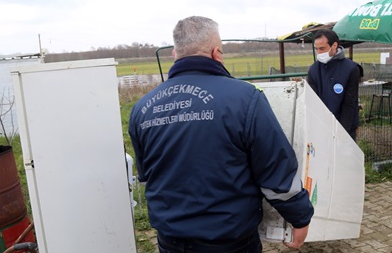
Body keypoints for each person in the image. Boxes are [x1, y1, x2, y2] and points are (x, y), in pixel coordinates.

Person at [129, 16, 313, 253]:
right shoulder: (246, 98)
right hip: (230, 242)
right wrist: (300, 217)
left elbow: (146, 175)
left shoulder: (142, 108)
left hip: (171, 241)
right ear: (217, 53)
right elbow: (275, 172)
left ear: (175, 55)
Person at [307, 28, 363, 140]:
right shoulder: (314, 70)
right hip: (322, 126)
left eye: (322, 49)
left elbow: (349, 104)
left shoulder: (351, 69)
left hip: (345, 126)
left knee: (345, 156)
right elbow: (313, 101)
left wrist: (342, 134)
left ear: (334, 45)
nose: (319, 53)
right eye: (316, 49)